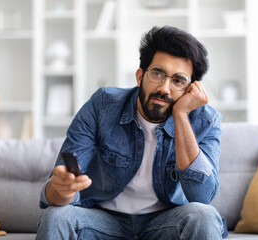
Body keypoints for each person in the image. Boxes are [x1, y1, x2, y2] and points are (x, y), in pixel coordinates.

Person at [36, 25, 227, 240]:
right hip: (102, 221)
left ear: (190, 89)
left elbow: (201, 197)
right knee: (56, 216)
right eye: (157, 73)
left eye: (178, 81)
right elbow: (57, 192)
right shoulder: (102, 106)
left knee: (204, 216)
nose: (164, 88)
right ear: (140, 76)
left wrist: (181, 115)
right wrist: (62, 190)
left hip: (166, 222)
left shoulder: (206, 121)